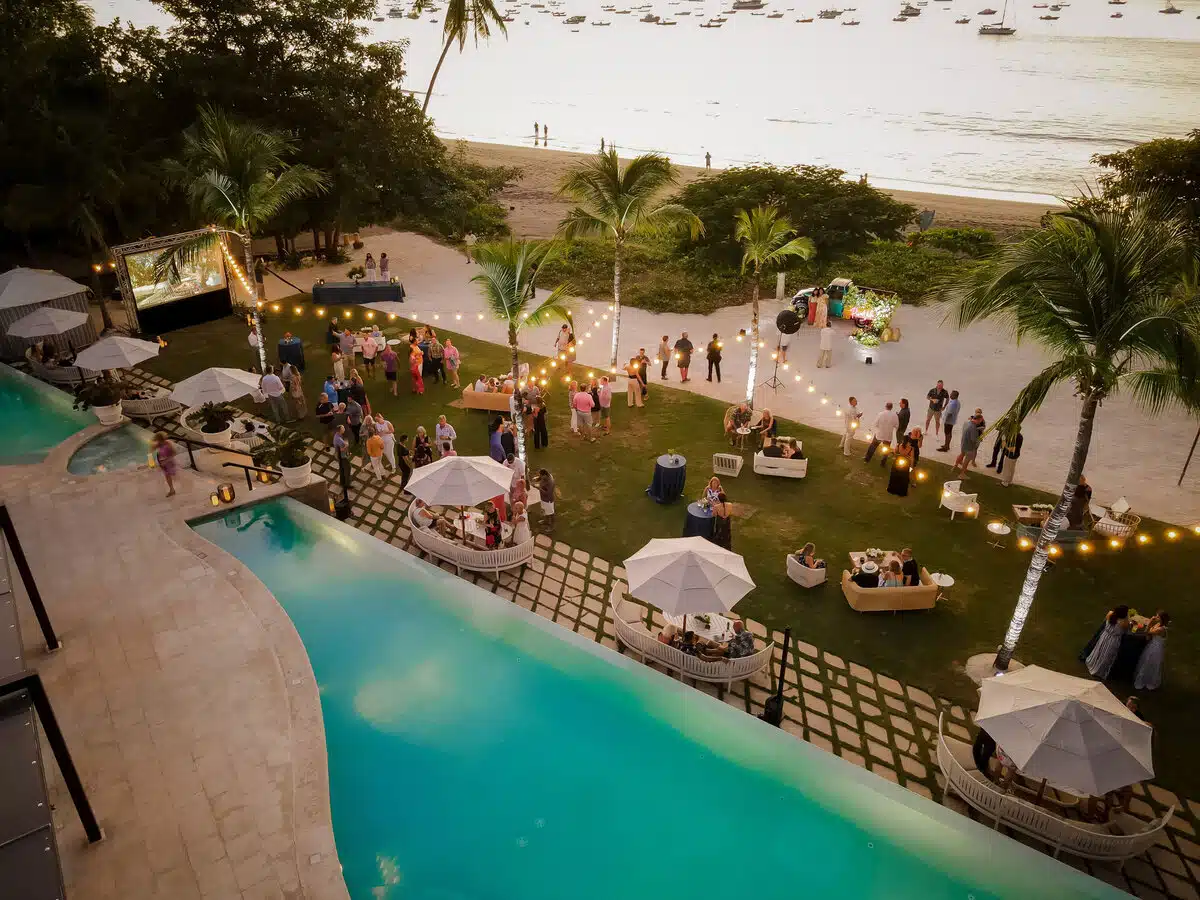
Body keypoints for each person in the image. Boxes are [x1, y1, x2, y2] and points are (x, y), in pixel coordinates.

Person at [1086, 605, 1131, 679]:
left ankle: (1094, 663)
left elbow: (1105, 621)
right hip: (1113, 640)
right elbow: (1127, 630)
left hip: (1105, 636)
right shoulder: (1123, 622)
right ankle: (1100, 669)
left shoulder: (1110, 614)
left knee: (1100, 650)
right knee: (1107, 654)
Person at [1133, 611, 1169, 691]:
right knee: (1147, 661)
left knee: (1149, 662)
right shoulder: (1158, 625)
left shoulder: (1160, 629)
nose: (1155, 617)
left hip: (1156, 648)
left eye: (1157, 617)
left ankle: (1146, 681)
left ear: (1161, 619)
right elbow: (1148, 635)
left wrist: (1150, 622)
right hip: (1152, 645)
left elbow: (1147, 632)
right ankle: (1144, 679)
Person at [953, 410, 985, 477]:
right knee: (967, 460)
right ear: (978, 420)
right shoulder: (973, 428)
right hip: (969, 447)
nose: (980, 422)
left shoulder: (967, 422)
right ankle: (962, 474)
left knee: (961, 454)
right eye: (980, 421)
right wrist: (979, 438)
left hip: (963, 443)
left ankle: (955, 465)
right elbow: (973, 439)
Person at [886, 431, 915, 497]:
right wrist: (893, 453)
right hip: (898, 463)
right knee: (894, 476)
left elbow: (912, 458)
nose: (910, 443)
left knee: (903, 478)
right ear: (905, 442)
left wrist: (911, 466)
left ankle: (901, 492)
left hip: (905, 464)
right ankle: (892, 490)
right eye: (909, 442)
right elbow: (895, 452)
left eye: (910, 442)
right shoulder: (899, 445)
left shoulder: (911, 448)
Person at [151, 432, 177, 498]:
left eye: (158, 440)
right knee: (167, 476)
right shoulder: (159, 444)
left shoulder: (168, 443)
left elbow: (174, 453)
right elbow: (151, 450)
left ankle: (172, 490)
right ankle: (172, 490)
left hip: (168, 462)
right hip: (163, 463)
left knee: (169, 476)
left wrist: (166, 460)